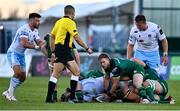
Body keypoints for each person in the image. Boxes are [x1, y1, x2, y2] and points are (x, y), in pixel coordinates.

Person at [45, 5, 93, 103]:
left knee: (69, 73)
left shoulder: (58, 22)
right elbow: (77, 38)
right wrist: (86, 48)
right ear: (72, 13)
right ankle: (71, 97)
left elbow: (52, 37)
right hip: (65, 50)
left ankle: (50, 98)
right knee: (71, 73)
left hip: (59, 50)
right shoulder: (70, 22)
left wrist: (54, 51)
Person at [2, 13, 45, 101]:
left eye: (39, 21)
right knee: (17, 73)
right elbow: (24, 43)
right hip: (13, 53)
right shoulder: (24, 29)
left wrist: (44, 43)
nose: (39, 22)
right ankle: (10, 95)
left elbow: (38, 42)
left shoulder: (35, 31)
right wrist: (37, 46)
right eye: (37, 20)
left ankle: (8, 92)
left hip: (21, 55)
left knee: (23, 77)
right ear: (31, 20)